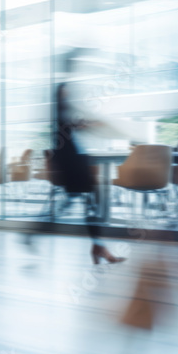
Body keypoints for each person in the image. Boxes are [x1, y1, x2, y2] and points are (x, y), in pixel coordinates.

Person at [51, 52, 125, 265]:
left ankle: (99, 248)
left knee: (85, 201)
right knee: (88, 201)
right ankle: (99, 248)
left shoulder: (65, 91)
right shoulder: (62, 90)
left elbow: (68, 123)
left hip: (71, 154)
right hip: (70, 156)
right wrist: (91, 124)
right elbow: (67, 123)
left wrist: (87, 124)